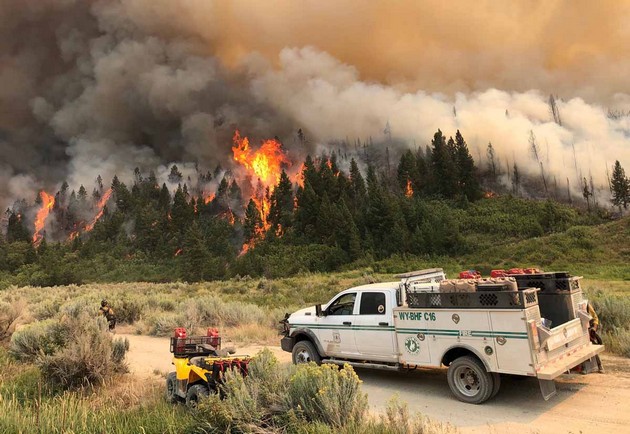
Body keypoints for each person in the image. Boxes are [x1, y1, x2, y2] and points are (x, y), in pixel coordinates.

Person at [587, 302, 604, 373]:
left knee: (593, 347)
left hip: (589, 329)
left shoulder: (586, 305)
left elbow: (595, 317)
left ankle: (600, 366)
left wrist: (594, 328)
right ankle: (585, 368)